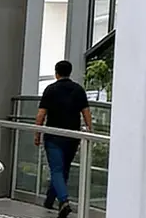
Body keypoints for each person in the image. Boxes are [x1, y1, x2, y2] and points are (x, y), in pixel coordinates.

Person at [34, 60, 92, 218]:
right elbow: (86, 113)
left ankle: (64, 201)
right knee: (63, 169)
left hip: (53, 136)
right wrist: (89, 132)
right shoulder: (78, 89)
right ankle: (50, 200)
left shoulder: (50, 89)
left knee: (56, 170)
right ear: (70, 72)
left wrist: (37, 134)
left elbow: (41, 115)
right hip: (73, 137)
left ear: (56, 73)